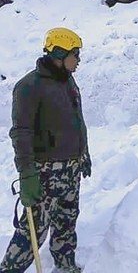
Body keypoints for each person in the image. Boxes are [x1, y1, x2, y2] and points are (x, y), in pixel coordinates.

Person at [0, 28, 91, 273]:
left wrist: (85, 153)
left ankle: (65, 265)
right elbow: (21, 133)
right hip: (45, 173)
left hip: (71, 169)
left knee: (66, 221)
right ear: (59, 54)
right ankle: (10, 269)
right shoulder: (29, 87)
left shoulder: (68, 81)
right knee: (32, 231)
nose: (78, 60)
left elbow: (76, 121)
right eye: (75, 54)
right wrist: (27, 174)